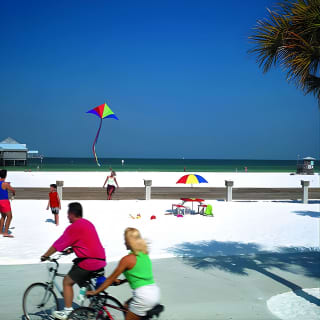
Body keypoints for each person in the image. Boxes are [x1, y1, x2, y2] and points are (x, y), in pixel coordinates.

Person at [41, 202, 106, 320]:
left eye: (67, 214)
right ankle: (94, 310)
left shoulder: (74, 227)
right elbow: (86, 241)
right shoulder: (87, 223)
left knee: (67, 281)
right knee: (84, 284)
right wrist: (72, 249)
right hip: (100, 261)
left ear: (71, 214)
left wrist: (45, 255)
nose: (67, 216)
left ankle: (67, 311)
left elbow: (58, 244)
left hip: (88, 262)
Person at [87, 228, 161, 320]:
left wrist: (95, 292)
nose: (124, 243)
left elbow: (110, 279)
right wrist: (122, 281)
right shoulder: (144, 254)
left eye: (125, 240)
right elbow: (140, 275)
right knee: (126, 306)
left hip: (143, 296)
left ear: (130, 242)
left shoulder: (127, 259)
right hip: (154, 292)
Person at [0, 169, 15, 238]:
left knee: (3, 216)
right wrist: (13, 194)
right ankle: (5, 232)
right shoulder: (5, 184)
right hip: (4, 201)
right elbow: (12, 190)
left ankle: (0, 231)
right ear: (5, 175)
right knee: (10, 216)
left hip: (0, 201)